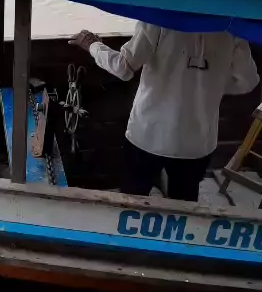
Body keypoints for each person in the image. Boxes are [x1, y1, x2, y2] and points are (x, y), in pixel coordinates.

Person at [70, 23, 260, 202]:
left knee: (132, 200)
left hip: (147, 136)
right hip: (196, 143)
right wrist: (209, 87)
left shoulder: (157, 20)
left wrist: (93, 45)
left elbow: (123, 67)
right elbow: (248, 81)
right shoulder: (230, 28)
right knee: (184, 206)